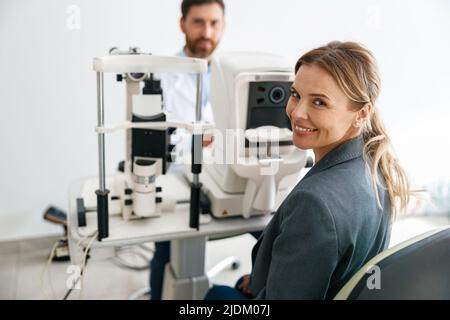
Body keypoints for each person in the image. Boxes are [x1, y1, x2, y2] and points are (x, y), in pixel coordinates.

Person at [204, 41, 412, 300]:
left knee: (215, 294)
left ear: (361, 114)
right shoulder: (376, 166)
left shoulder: (314, 204)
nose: (297, 113)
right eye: (295, 95)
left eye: (319, 103)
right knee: (239, 283)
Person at [149, 0, 226, 300]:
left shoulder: (231, 75)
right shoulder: (162, 77)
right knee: (165, 251)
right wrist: (198, 140)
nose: (207, 31)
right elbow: (157, 139)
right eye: (198, 22)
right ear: (182, 24)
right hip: (178, 179)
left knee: (270, 234)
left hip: (222, 175)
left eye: (214, 23)